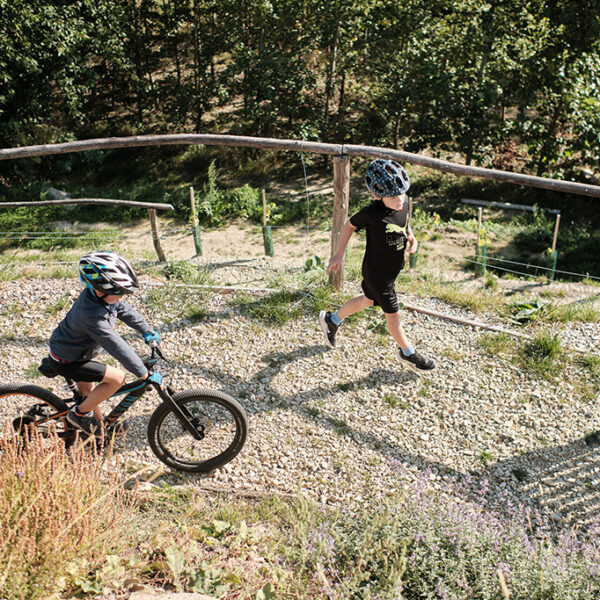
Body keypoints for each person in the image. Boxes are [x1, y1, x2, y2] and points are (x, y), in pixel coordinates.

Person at [319, 158, 435, 371]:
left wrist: (411, 235)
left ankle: (332, 320)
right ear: (376, 195)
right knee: (393, 314)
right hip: (377, 273)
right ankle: (407, 352)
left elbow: (404, 223)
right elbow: (348, 227)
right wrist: (338, 255)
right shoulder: (371, 213)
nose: (399, 199)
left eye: (402, 192)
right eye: (392, 196)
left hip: (391, 270)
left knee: (367, 300)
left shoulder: (404, 200)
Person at [47, 250, 162, 436]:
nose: (122, 297)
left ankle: (97, 430)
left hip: (76, 353)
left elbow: (125, 310)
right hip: (68, 360)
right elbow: (116, 346)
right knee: (117, 378)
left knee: (88, 396)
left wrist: (146, 330)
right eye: (120, 292)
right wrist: (142, 372)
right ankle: (78, 415)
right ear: (100, 290)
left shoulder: (102, 297)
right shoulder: (92, 317)